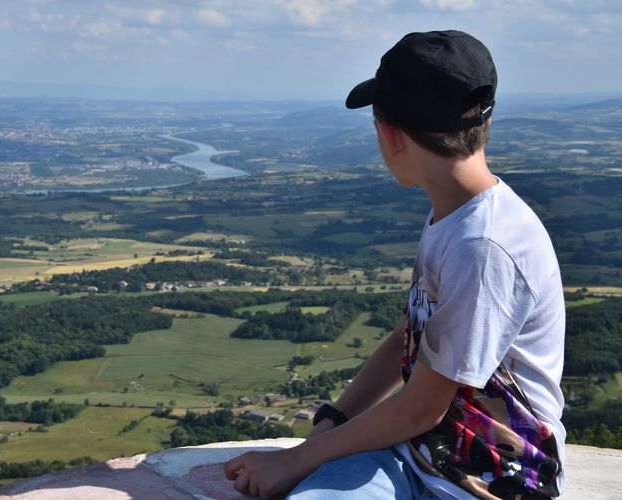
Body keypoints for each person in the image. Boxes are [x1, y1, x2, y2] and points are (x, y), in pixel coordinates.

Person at [223, 30, 565, 499]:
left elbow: (422, 409)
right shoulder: (454, 214)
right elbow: (405, 341)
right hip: (416, 454)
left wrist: (296, 459)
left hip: (490, 479)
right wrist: (331, 425)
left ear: (391, 135)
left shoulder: (483, 245)